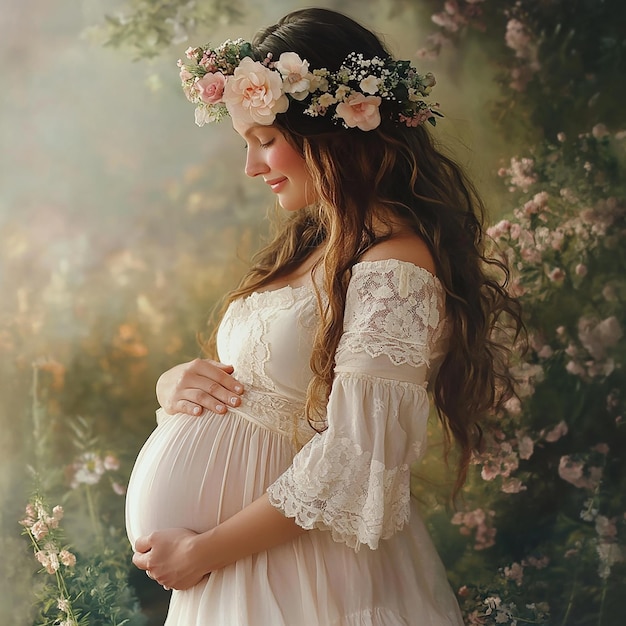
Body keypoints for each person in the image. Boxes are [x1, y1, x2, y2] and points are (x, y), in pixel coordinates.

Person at [125, 8, 522, 625]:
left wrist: (204, 550)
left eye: (264, 142)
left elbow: (355, 461)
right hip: (239, 574)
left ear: (330, 134)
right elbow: (261, 388)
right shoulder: (315, 245)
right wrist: (175, 386)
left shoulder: (397, 268)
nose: (252, 169)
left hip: (309, 577)